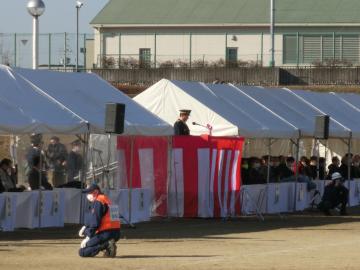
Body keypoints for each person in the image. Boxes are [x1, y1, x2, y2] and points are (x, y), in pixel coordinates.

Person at [78, 184, 121, 258]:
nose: (87, 195)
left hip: (106, 233)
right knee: (89, 235)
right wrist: (85, 227)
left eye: (89, 193)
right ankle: (108, 247)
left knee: (82, 251)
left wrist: (87, 237)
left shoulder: (98, 201)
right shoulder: (106, 200)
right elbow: (96, 219)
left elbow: (95, 223)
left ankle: (106, 245)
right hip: (116, 233)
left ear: (96, 192)